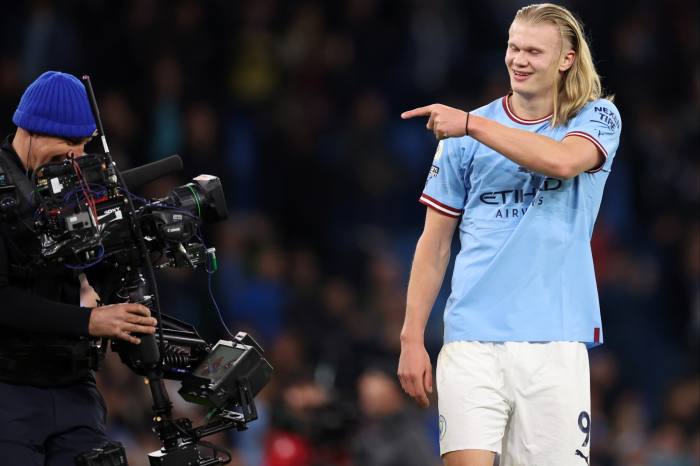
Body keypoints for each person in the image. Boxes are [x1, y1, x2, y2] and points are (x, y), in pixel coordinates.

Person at [397, 4, 621, 466]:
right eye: (513, 47)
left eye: (534, 51)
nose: (518, 59)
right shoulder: (460, 139)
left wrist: (471, 125)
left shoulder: (597, 118)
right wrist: (411, 338)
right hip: (471, 342)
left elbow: (562, 161)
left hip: (556, 342)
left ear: (566, 58)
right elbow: (434, 244)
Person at [0, 71, 158, 465]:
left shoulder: (78, 183)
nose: (77, 156)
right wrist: (90, 321)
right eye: (68, 142)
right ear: (30, 130)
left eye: (84, 144)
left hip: (74, 390)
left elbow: (106, 267)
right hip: (8, 393)